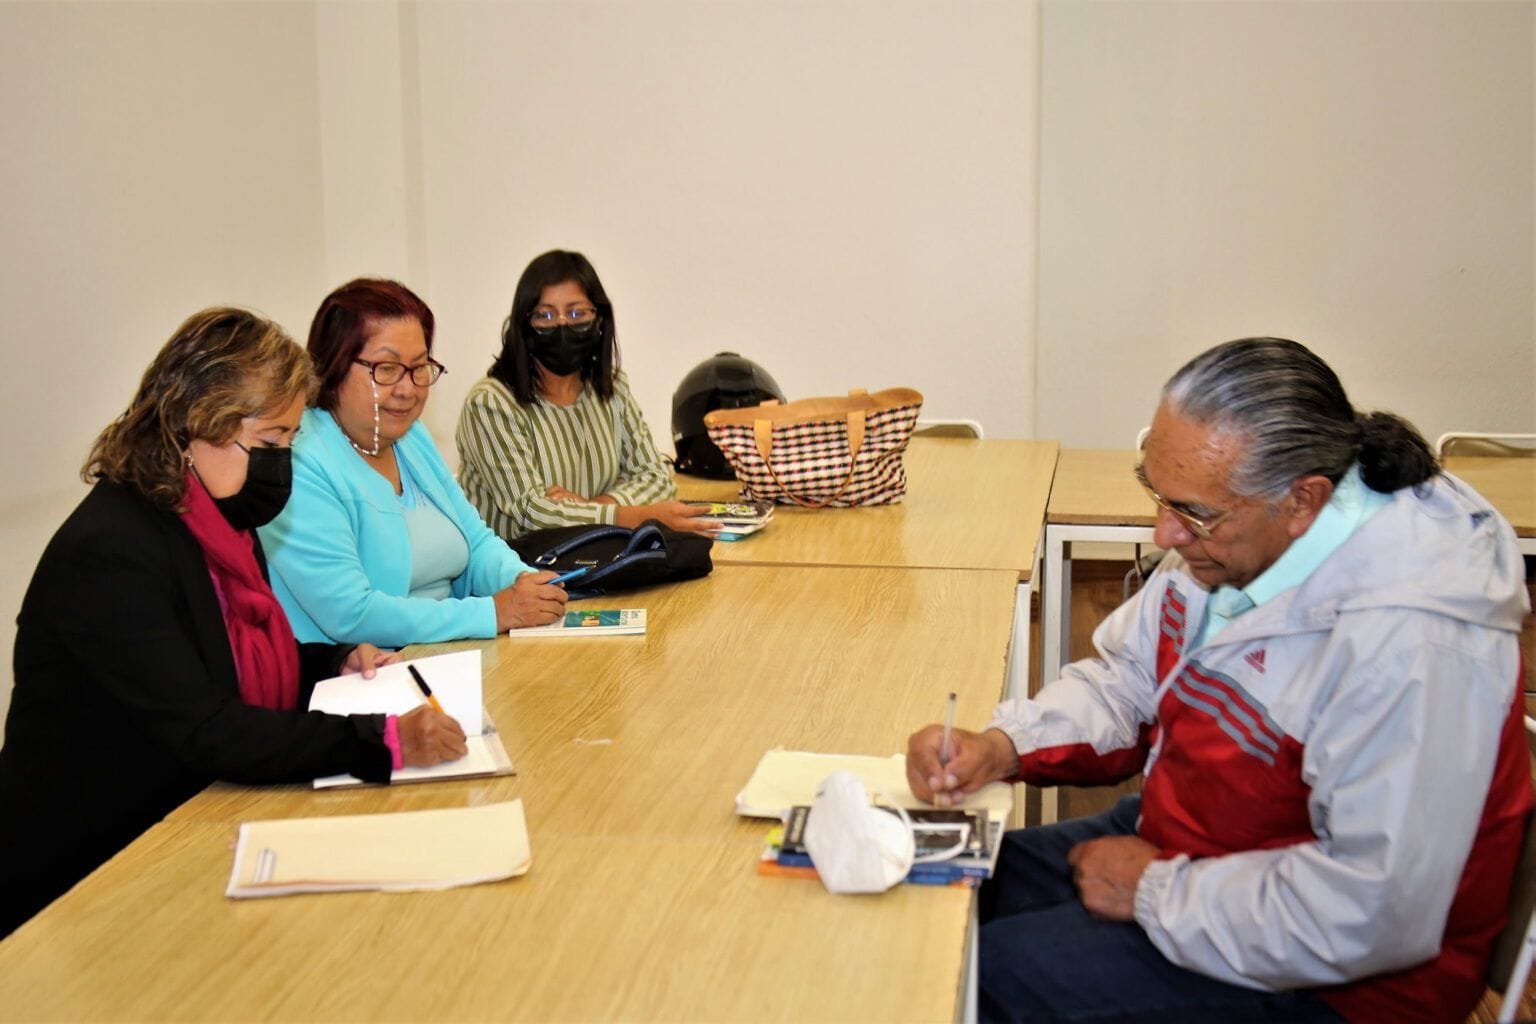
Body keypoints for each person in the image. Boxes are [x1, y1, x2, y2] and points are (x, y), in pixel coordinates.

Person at [907, 337, 1533, 1023]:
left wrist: (1154, 893)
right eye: (1156, 492)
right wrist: (1004, 746)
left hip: (1342, 983)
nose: (1163, 532)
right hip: (1201, 847)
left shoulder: (1413, 645)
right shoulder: (1240, 544)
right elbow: (1128, 681)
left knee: (978, 977)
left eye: (1193, 512)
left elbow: (1372, 912)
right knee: (940, 896)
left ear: (1302, 500)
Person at [0, 308, 469, 938]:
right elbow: (208, 726)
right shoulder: (111, 552)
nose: (282, 465)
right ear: (197, 427)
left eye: (290, 441)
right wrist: (379, 741)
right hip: (94, 879)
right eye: (271, 443)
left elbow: (235, 659)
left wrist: (333, 661)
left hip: (200, 822)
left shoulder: (211, 521)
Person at [260, 279, 567, 647]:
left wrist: (527, 584)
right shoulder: (300, 455)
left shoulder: (410, 437)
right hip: (365, 676)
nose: (407, 389)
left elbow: (477, 542)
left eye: (419, 368)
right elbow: (351, 613)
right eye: (386, 369)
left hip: (455, 653)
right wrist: (494, 613)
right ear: (334, 366)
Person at [455, 249, 718, 539]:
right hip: (513, 572)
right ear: (523, 325)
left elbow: (655, 477)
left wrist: (596, 506)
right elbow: (532, 512)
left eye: (577, 312)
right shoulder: (491, 404)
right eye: (545, 315)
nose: (562, 325)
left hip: (596, 557)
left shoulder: (612, 390)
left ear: (599, 320)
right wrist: (630, 515)